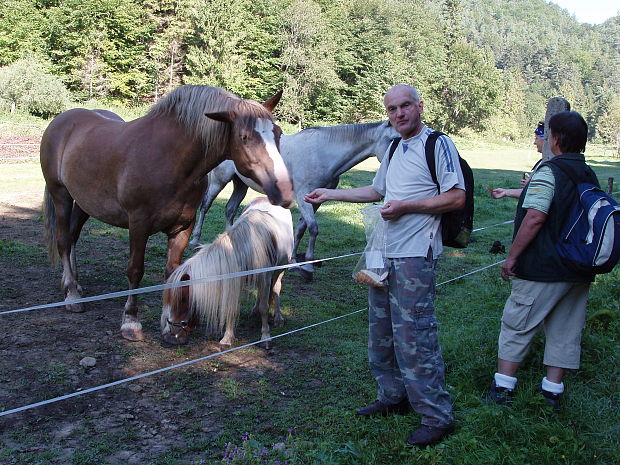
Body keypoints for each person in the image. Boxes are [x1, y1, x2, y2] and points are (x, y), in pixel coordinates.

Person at [304, 84, 465, 447]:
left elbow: (456, 197)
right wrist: (330, 193)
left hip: (414, 255)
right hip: (382, 254)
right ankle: (393, 395)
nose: (399, 114)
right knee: (381, 331)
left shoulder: (437, 144)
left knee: (415, 335)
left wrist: (407, 207)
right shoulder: (392, 147)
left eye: (405, 106)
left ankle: (436, 416)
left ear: (420, 106)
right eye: (392, 109)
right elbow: (378, 192)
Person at [486, 111, 599, 410]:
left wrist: (512, 257)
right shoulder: (588, 173)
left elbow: (535, 217)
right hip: (577, 267)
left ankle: (503, 388)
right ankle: (552, 391)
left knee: (517, 324)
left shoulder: (549, 171)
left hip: (543, 267)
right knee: (565, 328)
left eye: (549, 134)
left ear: (557, 139)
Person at [489, 121, 545, 200]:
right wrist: (505, 192)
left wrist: (530, 185)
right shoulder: (542, 162)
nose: (534, 142)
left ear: (545, 139)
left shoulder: (548, 165)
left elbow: (543, 193)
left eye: (536, 138)